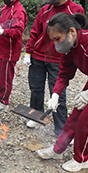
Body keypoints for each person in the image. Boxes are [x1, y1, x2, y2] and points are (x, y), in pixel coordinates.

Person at [36, 12, 88, 172]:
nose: (56, 44)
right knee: (75, 115)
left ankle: (82, 159)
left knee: (85, 120)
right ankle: (58, 150)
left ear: (72, 32)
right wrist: (56, 94)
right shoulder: (69, 49)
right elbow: (64, 74)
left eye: (57, 39)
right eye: (53, 40)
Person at [23, 0, 84, 135]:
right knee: (36, 89)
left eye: (56, 39)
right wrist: (28, 52)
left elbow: (78, 38)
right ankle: (36, 115)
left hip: (58, 60)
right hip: (39, 57)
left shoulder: (75, 9)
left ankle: (61, 129)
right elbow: (34, 32)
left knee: (58, 97)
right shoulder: (45, 9)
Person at [0, 0, 27, 111]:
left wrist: (1, 31)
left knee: (5, 77)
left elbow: (17, 32)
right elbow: (5, 25)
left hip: (9, 50)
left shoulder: (18, 10)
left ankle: (4, 102)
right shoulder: (6, 6)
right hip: (1, 47)